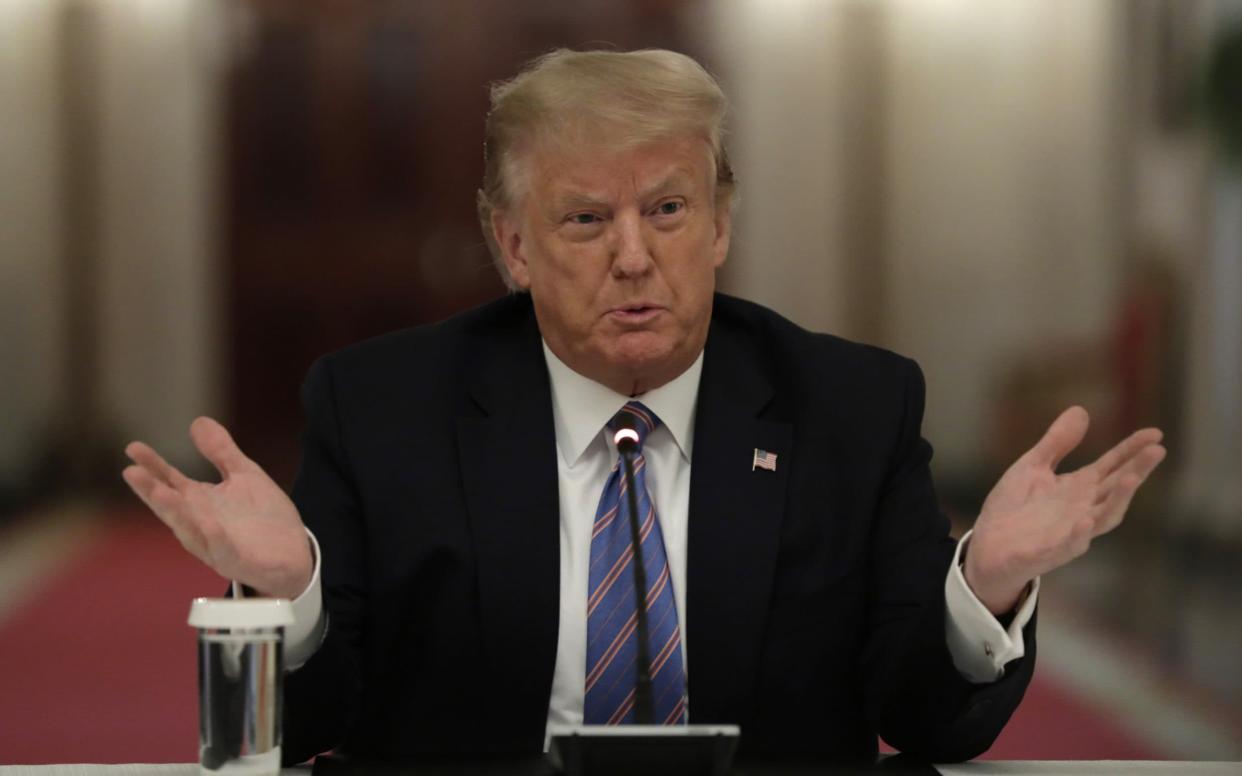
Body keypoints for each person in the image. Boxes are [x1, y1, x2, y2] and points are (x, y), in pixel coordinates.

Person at [121, 49, 1166, 764]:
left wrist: (982, 585)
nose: (635, 255)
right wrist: (289, 589)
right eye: (585, 218)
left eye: (667, 209)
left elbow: (926, 719)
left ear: (718, 225)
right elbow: (311, 726)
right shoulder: (381, 407)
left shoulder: (851, 405)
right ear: (513, 245)